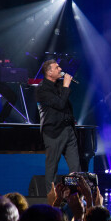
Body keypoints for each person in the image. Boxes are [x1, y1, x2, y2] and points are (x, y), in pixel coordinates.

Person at [35, 59, 80, 195]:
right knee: (52, 166)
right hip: (53, 132)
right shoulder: (42, 89)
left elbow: (65, 105)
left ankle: (74, 193)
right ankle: (52, 196)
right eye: (57, 67)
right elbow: (59, 104)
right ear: (49, 72)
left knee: (75, 167)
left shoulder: (59, 85)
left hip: (68, 130)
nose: (60, 69)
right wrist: (66, 86)